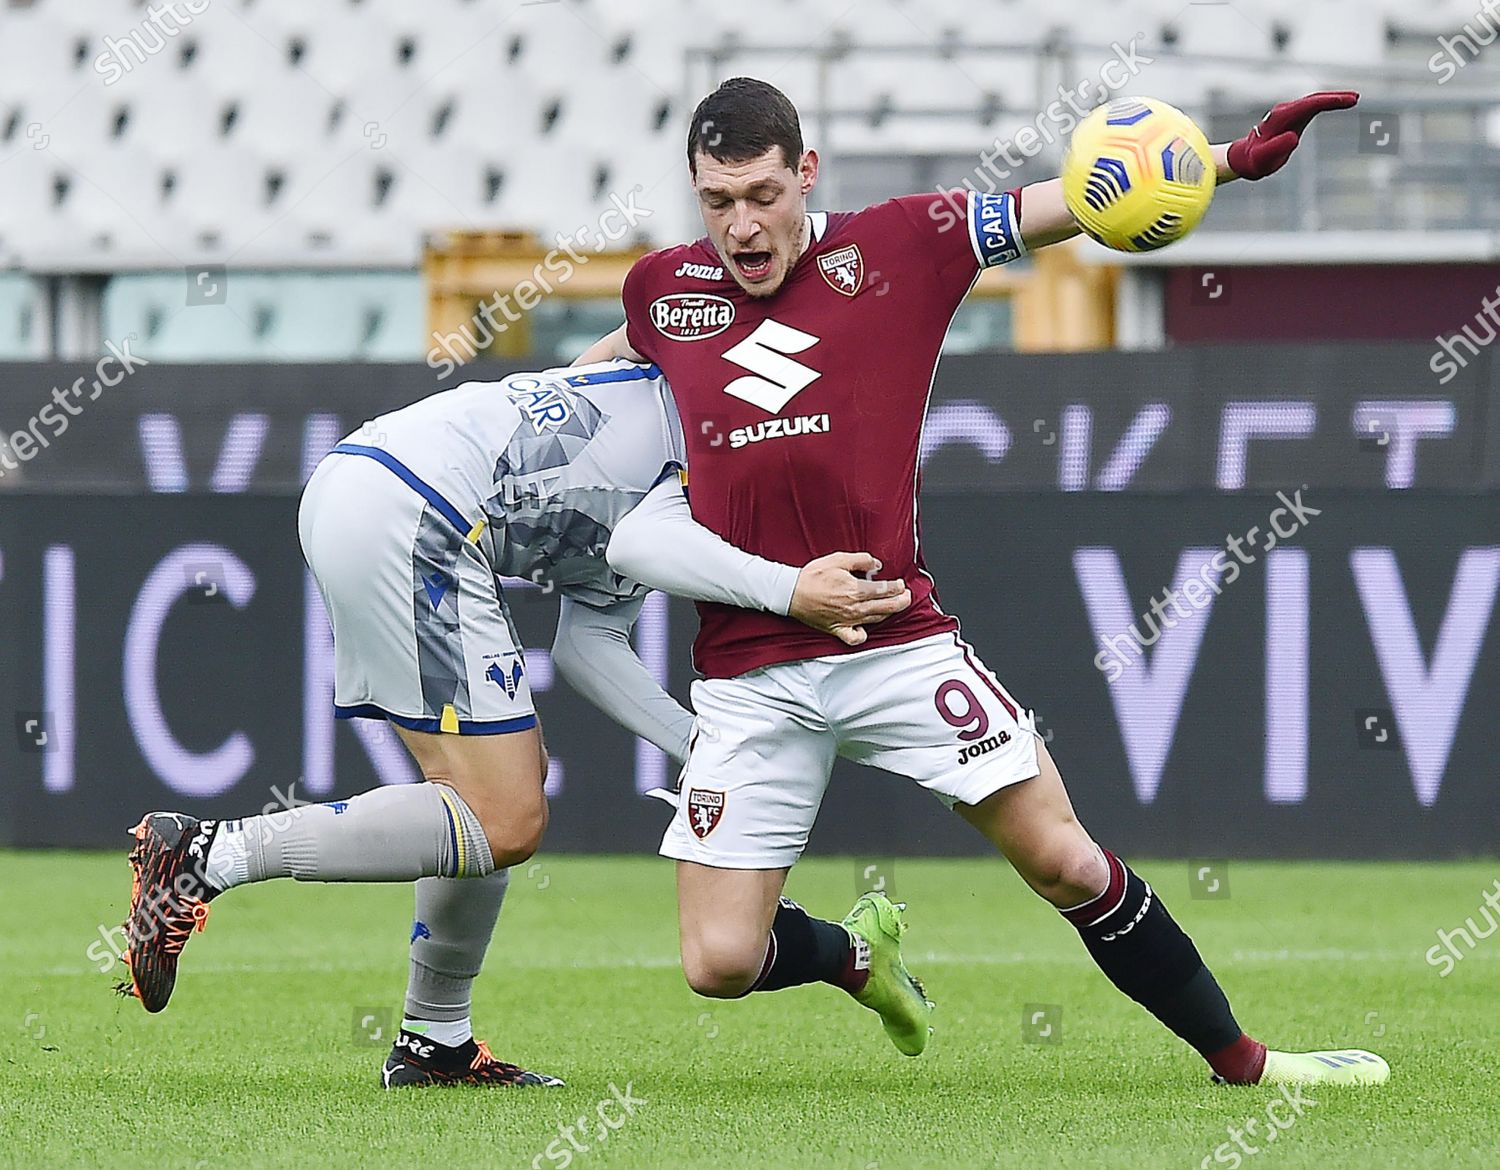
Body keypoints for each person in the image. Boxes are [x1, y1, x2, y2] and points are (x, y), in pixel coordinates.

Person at [580, 78, 1388, 1085]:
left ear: (807, 174)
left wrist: (1220, 163)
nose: (742, 226)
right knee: (720, 963)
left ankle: (1250, 1065)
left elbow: (1076, 196)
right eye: (717, 201)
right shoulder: (663, 293)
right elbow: (587, 393)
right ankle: (857, 957)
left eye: (762, 194)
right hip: (747, 669)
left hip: (894, 641)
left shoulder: (902, 245)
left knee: (1062, 859)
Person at [117, 359, 908, 1088]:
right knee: (509, 816)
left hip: (372, 484)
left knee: (486, 795)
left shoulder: (689, 428)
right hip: (418, 507)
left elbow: (588, 642)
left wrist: (699, 749)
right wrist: (783, 596)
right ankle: (207, 855)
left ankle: (434, 1043)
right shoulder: (708, 437)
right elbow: (642, 535)